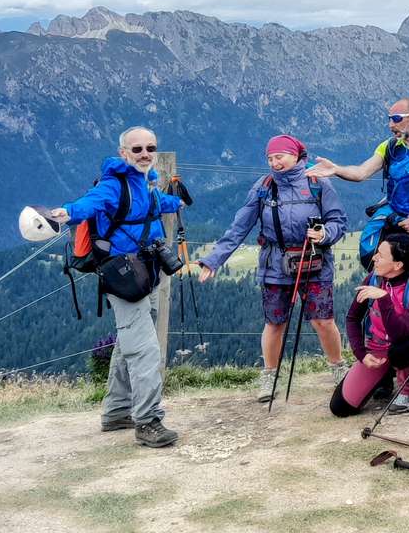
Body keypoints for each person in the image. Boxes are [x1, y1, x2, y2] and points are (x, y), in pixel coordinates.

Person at [47, 126, 187, 448]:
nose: (145, 154)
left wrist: (175, 203)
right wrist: (67, 212)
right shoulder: (114, 184)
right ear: (123, 153)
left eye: (150, 148)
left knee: (129, 342)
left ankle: (116, 411)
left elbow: (152, 205)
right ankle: (148, 421)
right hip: (124, 276)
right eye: (136, 149)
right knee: (145, 349)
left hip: (145, 272)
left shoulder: (144, 181)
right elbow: (90, 203)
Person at [196, 135, 350, 403]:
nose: (274, 162)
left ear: (295, 156)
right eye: (270, 158)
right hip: (274, 264)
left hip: (314, 261)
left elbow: (338, 220)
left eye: (279, 156)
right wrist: (214, 259)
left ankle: (338, 368)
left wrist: (325, 233)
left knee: (322, 320)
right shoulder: (264, 187)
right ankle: (269, 375)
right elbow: (240, 226)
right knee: (275, 323)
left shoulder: (318, 184)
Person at [308, 97, 409, 274]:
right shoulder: (389, 147)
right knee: (383, 277)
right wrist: (336, 169)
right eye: (389, 119)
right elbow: (361, 173)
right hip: (392, 224)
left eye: (396, 118)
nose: (390, 125)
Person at [331, 231, 409, 417]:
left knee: (399, 351)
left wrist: (385, 299)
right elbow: (352, 318)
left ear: (397, 265)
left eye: (380, 255)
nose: (374, 258)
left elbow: (400, 332)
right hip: (377, 348)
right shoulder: (373, 279)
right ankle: (384, 377)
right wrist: (361, 355)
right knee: (340, 407)